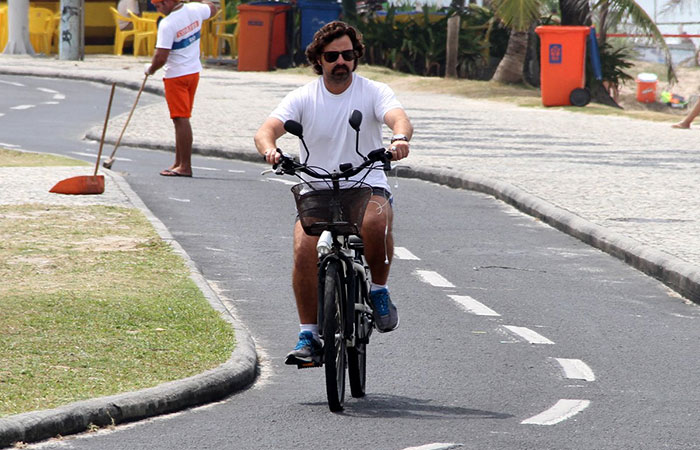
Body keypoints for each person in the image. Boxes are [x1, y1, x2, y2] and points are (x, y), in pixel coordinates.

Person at [254, 21, 413, 365]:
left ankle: (379, 291)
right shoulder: (302, 97)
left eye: (348, 54)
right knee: (302, 250)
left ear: (356, 56)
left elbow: (398, 118)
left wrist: (399, 139)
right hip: (317, 188)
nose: (341, 61)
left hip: (366, 182)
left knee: (375, 222)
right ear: (318, 60)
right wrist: (271, 150)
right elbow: (266, 130)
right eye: (332, 56)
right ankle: (309, 335)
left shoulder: (373, 91)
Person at [145, 0, 218, 177]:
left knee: (180, 118)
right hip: (193, 72)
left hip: (176, 76)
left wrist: (150, 69)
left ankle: (185, 166)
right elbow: (213, 8)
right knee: (181, 119)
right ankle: (178, 162)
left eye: (158, 4)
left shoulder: (168, 24)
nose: (157, 7)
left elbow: (161, 56)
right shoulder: (195, 9)